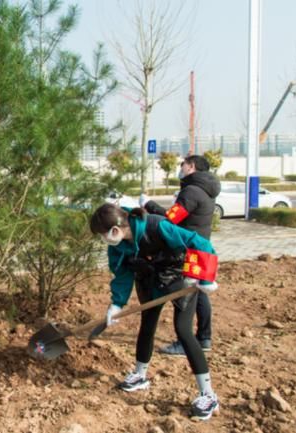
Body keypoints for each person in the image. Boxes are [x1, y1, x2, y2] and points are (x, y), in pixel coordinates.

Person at [90, 203, 220, 421]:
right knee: (147, 325)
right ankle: (140, 375)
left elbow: (198, 242)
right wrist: (117, 304)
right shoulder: (117, 245)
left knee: (183, 330)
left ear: (115, 229)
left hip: (178, 279)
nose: (103, 240)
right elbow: (122, 274)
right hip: (149, 281)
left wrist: (204, 277)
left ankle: (208, 394)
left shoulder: (157, 226)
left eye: (103, 235)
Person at [142, 155, 221, 356]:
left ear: (191, 166)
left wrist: (149, 204)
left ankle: (185, 341)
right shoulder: (206, 189)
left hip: (187, 249)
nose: (181, 168)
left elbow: (170, 220)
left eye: (183, 165)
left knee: (185, 297)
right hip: (200, 246)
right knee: (199, 292)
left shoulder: (192, 191)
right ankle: (204, 337)